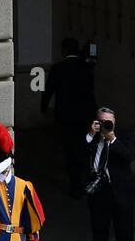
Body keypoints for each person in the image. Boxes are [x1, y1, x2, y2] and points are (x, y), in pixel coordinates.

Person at [40, 37, 96, 197]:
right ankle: (86, 181)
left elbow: (48, 90)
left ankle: (75, 186)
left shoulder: (58, 68)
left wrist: (43, 108)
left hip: (66, 116)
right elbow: (90, 93)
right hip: (84, 116)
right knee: (84, 148)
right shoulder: (86, 68)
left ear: (64, 51)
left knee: (70, 150)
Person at [86, 106, 135, 241]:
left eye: (109, 122)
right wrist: (91, 135)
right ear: (96, 122)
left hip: (120, 191)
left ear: (114, 122)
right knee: (99, 231)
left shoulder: (123, 136)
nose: (106, 125)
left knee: (123, 232)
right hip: (99, 192)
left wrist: (112, 138)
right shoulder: (92, 138)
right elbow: (79, 153)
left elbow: (129, 156)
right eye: (102, 122)